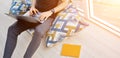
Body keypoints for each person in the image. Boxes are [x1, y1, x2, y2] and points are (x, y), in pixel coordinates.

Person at [3, 0, 70, 58]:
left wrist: (50, 12)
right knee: (12, 29)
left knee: (39, 31)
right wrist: (32, 7)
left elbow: (65, 2)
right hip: (35, 13)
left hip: (49, 16)